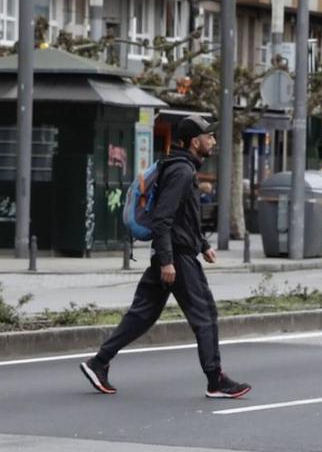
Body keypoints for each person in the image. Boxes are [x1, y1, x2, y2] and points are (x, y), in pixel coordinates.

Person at [80, 115, 251, 400]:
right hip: (176, 260)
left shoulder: (180, 167)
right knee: (205, 316)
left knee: (142, 315)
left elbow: (183, 218)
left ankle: (98, 363)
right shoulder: (182, 172)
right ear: (195, 142)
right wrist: (169, 260)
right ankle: (215, 380)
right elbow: (163, 219)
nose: (213, 141)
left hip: (172, 254)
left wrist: (202, 244)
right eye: (209, 136)